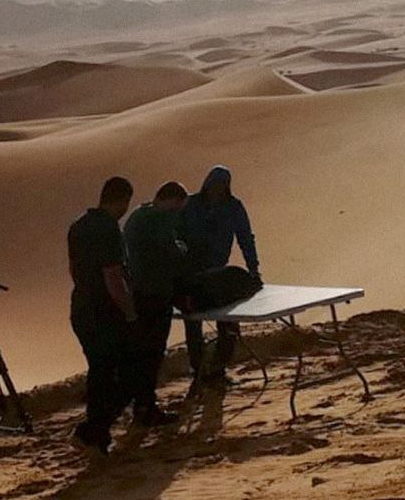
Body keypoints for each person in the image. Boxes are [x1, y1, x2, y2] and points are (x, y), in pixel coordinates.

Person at [68, 176, 137, 454]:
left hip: (81, 309)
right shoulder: (109, 229)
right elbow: (113, 277)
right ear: (121, 200)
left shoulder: (78, 226)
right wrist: (130, 312)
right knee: (127, 375)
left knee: (100, 373)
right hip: (105, 313)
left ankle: (98, 435)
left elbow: (73, 269)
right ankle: (90, 432)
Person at [177, 166, 262, 383]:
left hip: (219, 275)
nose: (217, 190)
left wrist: (253, 268)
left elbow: (245, 238)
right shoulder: (190, 205)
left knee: (228, 321)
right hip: (192, 275)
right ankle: (198, 370)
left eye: (222, 186)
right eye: (214, 185)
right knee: (193, 322)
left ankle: (218, 368)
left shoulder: (233, 207)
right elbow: (175, 236)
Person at [123, 181, 189, 426]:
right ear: (171, 200)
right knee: (152, 353)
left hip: (138, 293)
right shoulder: (158, 219)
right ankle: (146, 408)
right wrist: (182, 249)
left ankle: (142, 405)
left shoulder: (137, 216)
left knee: (143, 353)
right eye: (177, 208)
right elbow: (171, 253)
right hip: (155, 294)